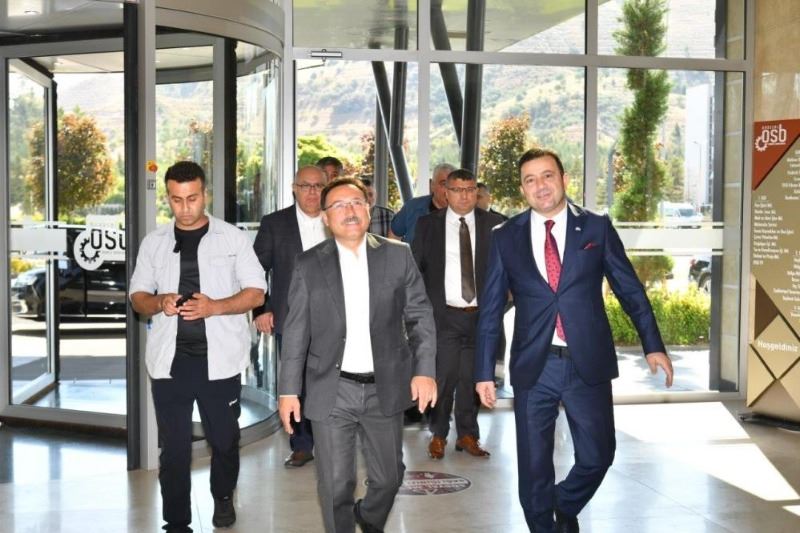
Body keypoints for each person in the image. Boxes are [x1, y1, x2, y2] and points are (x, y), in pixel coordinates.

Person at [474, 148, 674, 533]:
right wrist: (484, 371)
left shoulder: (596, 227)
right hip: (535, 367)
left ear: (564, 179)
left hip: (587, 363)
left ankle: (563, 504)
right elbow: (491, 308)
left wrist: (653, 344)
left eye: (547, 175)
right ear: (522, 189)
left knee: (598, 455)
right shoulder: (505, 236)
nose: (540, 186)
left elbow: (630, 289)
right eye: (530, 180)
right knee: (534, 469)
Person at [278, 178, 437, 533]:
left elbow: (420, 316)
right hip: (332, 388)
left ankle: (368, 516)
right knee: (336, 485)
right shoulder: (308, 264)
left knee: (390, 478)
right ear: (325, 217)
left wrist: (424, 370)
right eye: (338, 205)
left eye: (356, 202)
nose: (349, 210)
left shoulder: (398, 255)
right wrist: (288, 390)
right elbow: (296, 331)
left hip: (385, 386)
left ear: (367, 209)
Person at [129, 161, 267, 533]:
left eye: (192, 198)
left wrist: (214, 307)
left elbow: (257, 292)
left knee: (224, 441)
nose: (185, 207)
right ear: (168, 198)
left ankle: (222, 496)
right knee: (174, 449)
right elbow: (138, 296)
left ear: (204, 194)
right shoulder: (154, 242)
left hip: (219, 362)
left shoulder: (233, 239)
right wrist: (159, 302)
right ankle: (176, 521)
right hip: (170, 364)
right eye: (176, 200)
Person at [412, 169, 504, 460]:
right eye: (457, 190)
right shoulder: (428, 225)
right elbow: (415, 270)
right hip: (444, 316)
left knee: (473, 378)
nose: (464, 196)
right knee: (444, 378)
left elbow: (510, 273)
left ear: (477, 192)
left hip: (482, 319)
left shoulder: (496, 224)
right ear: (445, 192)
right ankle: (438, 434)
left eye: (470, 189)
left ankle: (467, 435)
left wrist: (500, 307)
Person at [252, 165, 328, 468]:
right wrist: (262, 308)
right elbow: (256, 269)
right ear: (294, 188)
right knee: (296, 381)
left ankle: (330, 438)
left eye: (318, 186)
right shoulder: (275, 223)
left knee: (330, 379)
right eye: (305, 185)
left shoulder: (336, 217)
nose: (312, 192)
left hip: (334, 316)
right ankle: (301, 445)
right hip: (290, 315)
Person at [390, 162, 454, 244]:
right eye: (444, 184)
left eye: (453, 186)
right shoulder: (413, 207)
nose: (448, 190)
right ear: (432, 185)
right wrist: (396, 252)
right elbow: (394, 235)